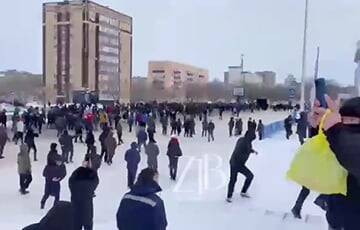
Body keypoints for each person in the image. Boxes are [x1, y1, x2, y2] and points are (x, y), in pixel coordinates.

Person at [310, 96, 360, 230]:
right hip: (336, 218)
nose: (345, 124)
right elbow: (322, 154)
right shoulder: (341, 138)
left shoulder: (347, 142)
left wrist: (335, 128)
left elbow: (351, 154)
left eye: (351, 120)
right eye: (342, 120)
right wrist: (319, 128)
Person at [69, 155, 100, 230]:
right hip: (80, 202)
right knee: (79, 223)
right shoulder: (83, 171)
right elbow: (71, 182)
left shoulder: (92, 174)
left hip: (83, 202)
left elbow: (72, 182)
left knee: (85, 223)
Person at [226, 131, 257, 202]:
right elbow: (247, 149)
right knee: (249, 176)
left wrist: (253, 151)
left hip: (234, 161)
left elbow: (247, 149)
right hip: (238, 164)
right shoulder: (246, 143)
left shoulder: (241, 139)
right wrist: (251, 151)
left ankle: (230, 196)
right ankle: (241, 192)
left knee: (233, 179)